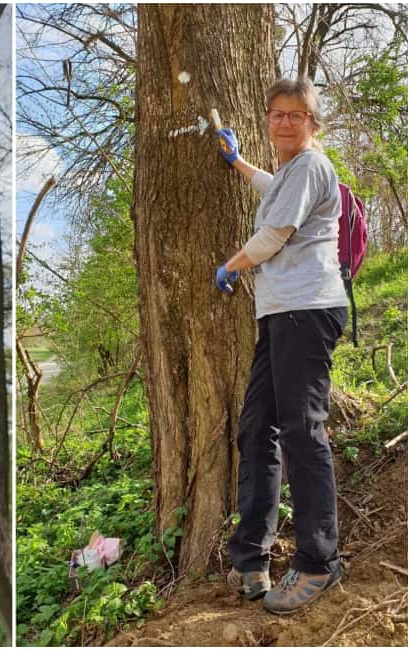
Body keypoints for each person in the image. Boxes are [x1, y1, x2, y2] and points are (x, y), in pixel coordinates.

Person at [213, 77, 348, 614]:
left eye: (297, 115)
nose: (286, 122)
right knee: (258, 427)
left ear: (313, 123)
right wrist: (238, 162)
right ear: (267, 120)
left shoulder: (312, 166)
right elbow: (274, 188)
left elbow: (273, 237)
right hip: (280, 316)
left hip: (306, 311)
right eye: (278, 114)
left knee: (302, 430)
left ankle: (320, 563)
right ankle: (251, 557)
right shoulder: (292, 172)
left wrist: (228, 266)